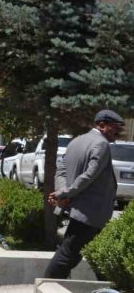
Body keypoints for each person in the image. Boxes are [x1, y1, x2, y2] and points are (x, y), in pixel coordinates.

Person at [44, 109, 124, 279]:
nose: (119, 132)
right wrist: (64, 193)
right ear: (102, 125)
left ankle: (107, 287)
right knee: (67, 255)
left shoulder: (75, 142)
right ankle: (47, 285)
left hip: (83, 211)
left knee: (100, 254)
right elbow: (89, 175)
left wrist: (64, 194)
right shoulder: (101, 144)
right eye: (116, 127)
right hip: (89, 213)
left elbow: (62, 172)